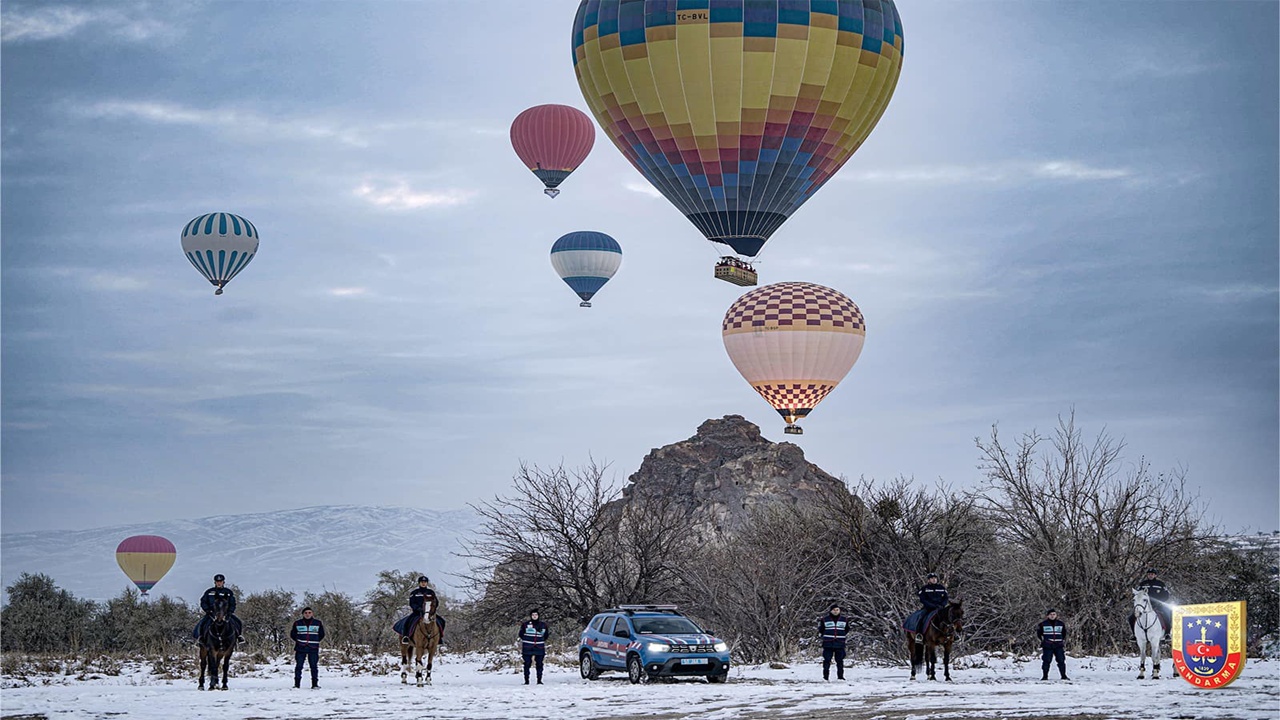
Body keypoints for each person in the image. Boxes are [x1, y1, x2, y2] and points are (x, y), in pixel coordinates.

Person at [193, 574, 243, 643]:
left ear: (223, 582)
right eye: (217, 581)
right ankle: (200, 637)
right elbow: (203, 602)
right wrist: (207, 610)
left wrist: (230, 612)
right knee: (202, 623)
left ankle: (239, 636)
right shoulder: (209, 592)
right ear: (215, 582)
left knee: (238, 622)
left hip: (225, 614)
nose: (219, 583)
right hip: (212, 614)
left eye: (220, 581)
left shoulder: (228, 592)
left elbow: (232, 603)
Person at [396, 576, 446, 645]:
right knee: (407, 621)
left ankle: (439, 637)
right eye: (422, 582)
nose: (423, 584)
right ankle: (406, 636)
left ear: (427, 583)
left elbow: (436, 602)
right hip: (417, 613)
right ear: (419, 583)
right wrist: (418, 608)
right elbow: (412, 603)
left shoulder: (431, 592)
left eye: (425, 582)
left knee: (442, 621)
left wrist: (432, 610)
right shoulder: (414, 593)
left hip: (429, 613)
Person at [906, 572, 949, 641]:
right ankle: (919, 634)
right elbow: (923, 599)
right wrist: (932, 606)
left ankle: (951, 635)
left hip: (940, 608)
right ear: (929, 580)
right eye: (932, 578)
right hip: (928, 608)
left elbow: (946, 598)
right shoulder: (925, 589)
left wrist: (942, 605)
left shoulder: (942, 588)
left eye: (935, 578)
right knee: (921, 618)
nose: (934, 580)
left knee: (950, 618)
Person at [291, 607, 325, 689]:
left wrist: (314, 640)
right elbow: (292, 634)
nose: (307, 614)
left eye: (309, 612)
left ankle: (314, 684)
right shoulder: (297, 623)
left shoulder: (318, 623)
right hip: (300, 648)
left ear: (312, 613)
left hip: (313, 647)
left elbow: (321, 634)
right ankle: (297, 685)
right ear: (303, 614)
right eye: (306, 613)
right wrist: (299, 641)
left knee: (313, 666)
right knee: (299, 666)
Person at [1136, 568, 1173, 639]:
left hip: (1158, 605)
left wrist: (1160, 602)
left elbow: (1166, 595)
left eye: (1152, 574)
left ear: (1155, 575)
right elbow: (1138, 594)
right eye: (1149, 574)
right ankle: (1135, 634)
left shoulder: (1160, 584)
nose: (1150, 576)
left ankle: (1167, 633)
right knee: (1132, 616)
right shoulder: (1142, 584)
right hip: (1145, 605)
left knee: (1167, 613)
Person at [818, 603, 849, 681]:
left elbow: (847, 629)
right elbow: (821, 629)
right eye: (834, 610)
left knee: (840, 661)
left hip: (840, 643)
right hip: (828, 643)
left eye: (837, 610)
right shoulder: (824, 619)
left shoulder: (844, 619)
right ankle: (825, 677)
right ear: (831, 611)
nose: (835, 611)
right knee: (827, 660)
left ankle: (840, 677)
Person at [518, 609, 549, 685]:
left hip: (539, 647)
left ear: (538, 616)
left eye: (536, 615)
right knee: (527, 663)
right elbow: (521, 634)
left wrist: (540, 640)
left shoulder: (543, 625)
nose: (534, 616)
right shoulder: (525, 624)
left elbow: (546, 635)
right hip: (527, 647)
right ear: (531, 616)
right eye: (533, 615)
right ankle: (526, 680)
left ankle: (539, 680)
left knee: (539, 664)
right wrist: (527, 640)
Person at [1036, 608, 1068, 681]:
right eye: (1051, 614)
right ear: (1047, 616)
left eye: (1054, 614)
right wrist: (1043, 641)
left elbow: (1064, 634)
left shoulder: (1061, 624)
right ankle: (1045, 676)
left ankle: (1063, 676)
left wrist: (1060, 640)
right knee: (1046, 661)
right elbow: (1039, 634)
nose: (1052, 616)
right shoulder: (1042, 624)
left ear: (1056, 615)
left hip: (1058, 645)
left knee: (1061, 660)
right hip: (1048, 645)